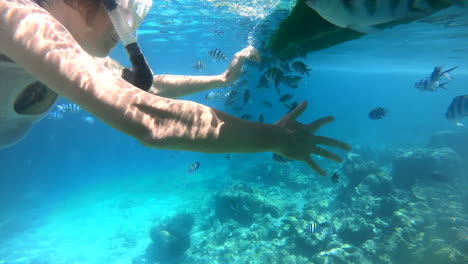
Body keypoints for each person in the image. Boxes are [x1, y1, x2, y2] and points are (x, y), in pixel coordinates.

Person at [0, 0, 351, 176]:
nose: (130, 19)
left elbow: (145, 88)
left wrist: (222, 79)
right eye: (122, 5)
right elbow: (150, 119)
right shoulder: (14, 17)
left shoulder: (64, 49)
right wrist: (277, 139)